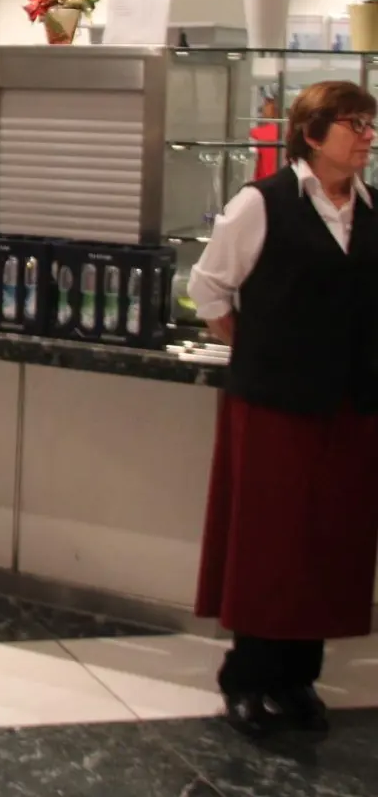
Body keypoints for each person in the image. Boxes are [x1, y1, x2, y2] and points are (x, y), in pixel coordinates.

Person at [189, 79, 378, 740]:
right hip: (274, 403)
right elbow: (208, 288)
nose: (367, 136)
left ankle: (298, 677)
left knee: (329, 545)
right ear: (312, 133)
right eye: (354, 123)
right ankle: (248, 677)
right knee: (270, 544)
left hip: (350, 407)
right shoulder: (261, 203)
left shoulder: (370, 208)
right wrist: (260, 345)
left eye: (370, 123)